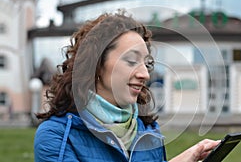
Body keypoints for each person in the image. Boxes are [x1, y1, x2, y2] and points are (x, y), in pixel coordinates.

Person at [34, 9, 220, 162]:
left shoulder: (149, 130)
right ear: (96, 65)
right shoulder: (55, 136)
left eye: (147, 64)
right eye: (131, 61)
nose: (145, 74)